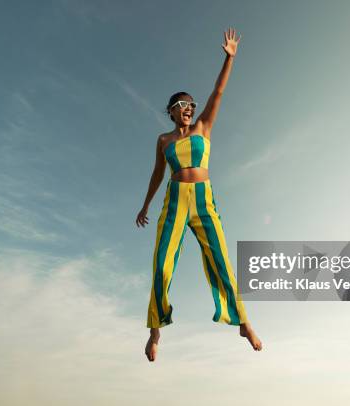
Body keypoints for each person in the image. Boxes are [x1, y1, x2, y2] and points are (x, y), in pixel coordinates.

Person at [136, 28, 262, 362]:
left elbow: (219, 91)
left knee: (221, 261)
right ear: (171, 111)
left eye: (190, 104)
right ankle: (155, 331)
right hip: (175, 200)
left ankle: (243, 322)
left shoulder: (203, 127)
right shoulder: (164, 140)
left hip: (203, 199)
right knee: (162, 265)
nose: (188, 108)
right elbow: (157, 174)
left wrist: (229, 58)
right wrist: (146, 204)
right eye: (182, 105)